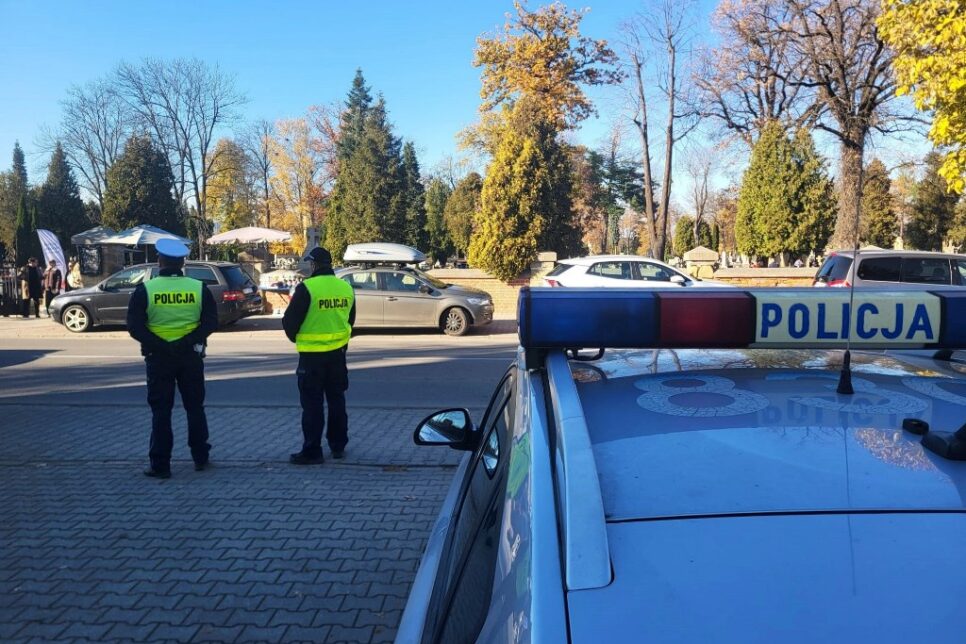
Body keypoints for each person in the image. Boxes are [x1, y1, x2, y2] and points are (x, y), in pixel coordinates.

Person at [127, 239, 217, 479]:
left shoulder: (146, 289)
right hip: (190, 356)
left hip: (159, 358)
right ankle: (200, 456)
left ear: (159, 261)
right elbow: (210, 322)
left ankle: (160, 464)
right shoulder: (198, 287)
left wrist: (162, 345)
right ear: (183, 262)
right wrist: (185, 342)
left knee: (161, 411)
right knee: (195, 408)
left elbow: (135, 327)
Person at [283, 246, 356, 464]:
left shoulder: (307, 288)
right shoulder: (345, 287)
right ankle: (338, 445)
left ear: (314, 265)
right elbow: (350, 319)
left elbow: (290, 321)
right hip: (337, 355)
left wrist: (298, 338)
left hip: (311, 357)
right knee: (337, 401)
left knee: (312, 405)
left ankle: (313, 450)